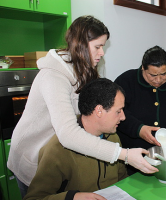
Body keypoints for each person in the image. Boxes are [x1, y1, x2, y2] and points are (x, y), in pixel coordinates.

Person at [7, 15, 157, 198]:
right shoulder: (53, 77)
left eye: (103, 46)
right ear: (80, 45)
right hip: (32, 155)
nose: (102, 53)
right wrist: (123, 154)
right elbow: (68, 133)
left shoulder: (89, 68)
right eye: (98, 47)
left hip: (59, 153)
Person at [24, 78, 128, 200]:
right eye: (118, 111)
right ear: (99, 111)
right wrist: (72, 197)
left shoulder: (113, 137)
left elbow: (122, 179)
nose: (123, 117)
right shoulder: (57, 149)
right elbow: (34, 198)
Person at [115, 45, 166, 175]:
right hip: (132, 159)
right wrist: (139, 129)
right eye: (153, 75)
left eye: (164, 74)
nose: (159, 80)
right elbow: (116, 112)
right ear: (143, 68)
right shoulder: (126, 81)